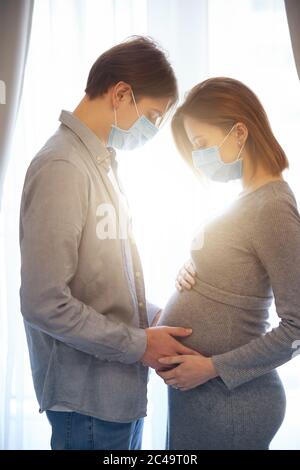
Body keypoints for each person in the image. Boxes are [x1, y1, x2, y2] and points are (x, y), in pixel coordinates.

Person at [19, 36, 198, 451]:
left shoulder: (101, 164)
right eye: (152, 116)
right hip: (88, 404)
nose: (151, 130)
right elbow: (44, 302)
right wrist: (140, 345)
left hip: (116, 399)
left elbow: (102, 283)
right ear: (121, 93)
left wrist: (157, 315)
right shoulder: (63, 166)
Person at [157, 77, 300, 450]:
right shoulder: (247, 200)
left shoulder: (274, 207)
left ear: (239, 132)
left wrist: (212, 367)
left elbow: (298, 326)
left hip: (233, 402)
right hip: (207, 398)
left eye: (201, 144)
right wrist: (192, 269)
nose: (199, 158)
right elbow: (238, 270)